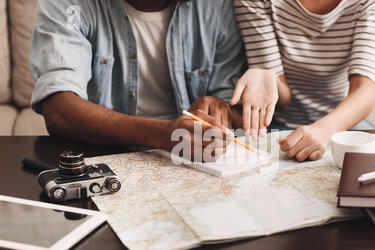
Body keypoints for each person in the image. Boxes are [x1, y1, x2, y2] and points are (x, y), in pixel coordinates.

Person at [30, 0, 246, 161]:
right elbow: (59, 110)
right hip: (108, 157)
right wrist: (162, 134)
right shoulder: (68, 4)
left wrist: (219, 110)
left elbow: (235, 109)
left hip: (192, 162)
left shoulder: (218, 6)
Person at [232, 0, 375, 161]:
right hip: (279, 123)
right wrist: (269, 78)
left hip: (343, 121)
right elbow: (283, 100)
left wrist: (325, 129)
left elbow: (364, 90)